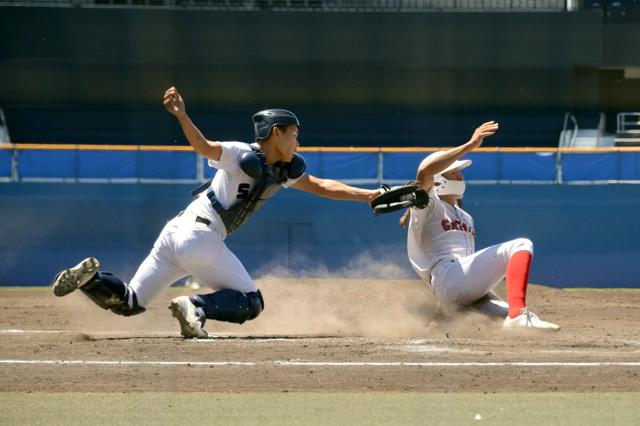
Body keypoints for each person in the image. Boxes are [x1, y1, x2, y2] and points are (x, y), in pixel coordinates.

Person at [52, 86, 379, 339]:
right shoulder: (240, 152)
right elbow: (205, 147)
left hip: (175, 235)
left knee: (130, 303)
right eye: (293, 132)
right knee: (252, 302)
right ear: (275, 132)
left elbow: (323, 186)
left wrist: (369, 196)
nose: (297, 138)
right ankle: (194, 305)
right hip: (199, 236)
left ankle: (91, 280)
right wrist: (182, 115)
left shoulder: (285, 169)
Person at [399, 121, 559, 331]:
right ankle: (516, 316)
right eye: (454, 173)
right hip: (446, 277)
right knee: (521, 245)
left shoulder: (465, 216)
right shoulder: (428, 205)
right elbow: (425, 172)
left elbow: (469, 269)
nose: (461, 176)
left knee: (509, 313)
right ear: (439, 180)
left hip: (458, 289)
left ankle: (449, 317)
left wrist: (483, 294)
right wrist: (469, 145)